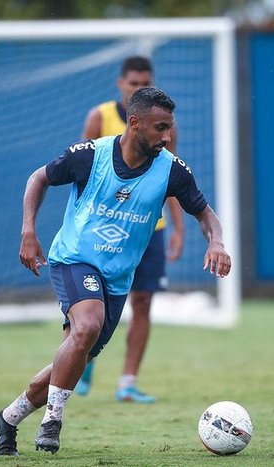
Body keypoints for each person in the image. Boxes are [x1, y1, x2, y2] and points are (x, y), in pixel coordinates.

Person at [0, 87, 231, 456]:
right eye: (160, 127)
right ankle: (52, 421)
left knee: (75, 351)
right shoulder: (90, 156)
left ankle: (8, 417)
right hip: (74, 260)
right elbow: (37, 178)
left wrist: (216, 242)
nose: (167, 137)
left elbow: (206, 214)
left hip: (117, 279)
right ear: (134, 123)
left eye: (170, 128)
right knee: (87, 325)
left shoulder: (172, 170)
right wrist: (28, 231)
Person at [76, 55, 184, 403]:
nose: (139, 88)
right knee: (97, 304)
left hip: (148, 228)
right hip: (104, 228)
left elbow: (173, 180)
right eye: (134, 83)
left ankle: (127, 382)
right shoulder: (99, 117)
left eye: (145, 82)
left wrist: (179, 228)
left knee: (143, 302)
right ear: (121, 84)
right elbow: (84, 172)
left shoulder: (164, 126)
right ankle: (83, 359)